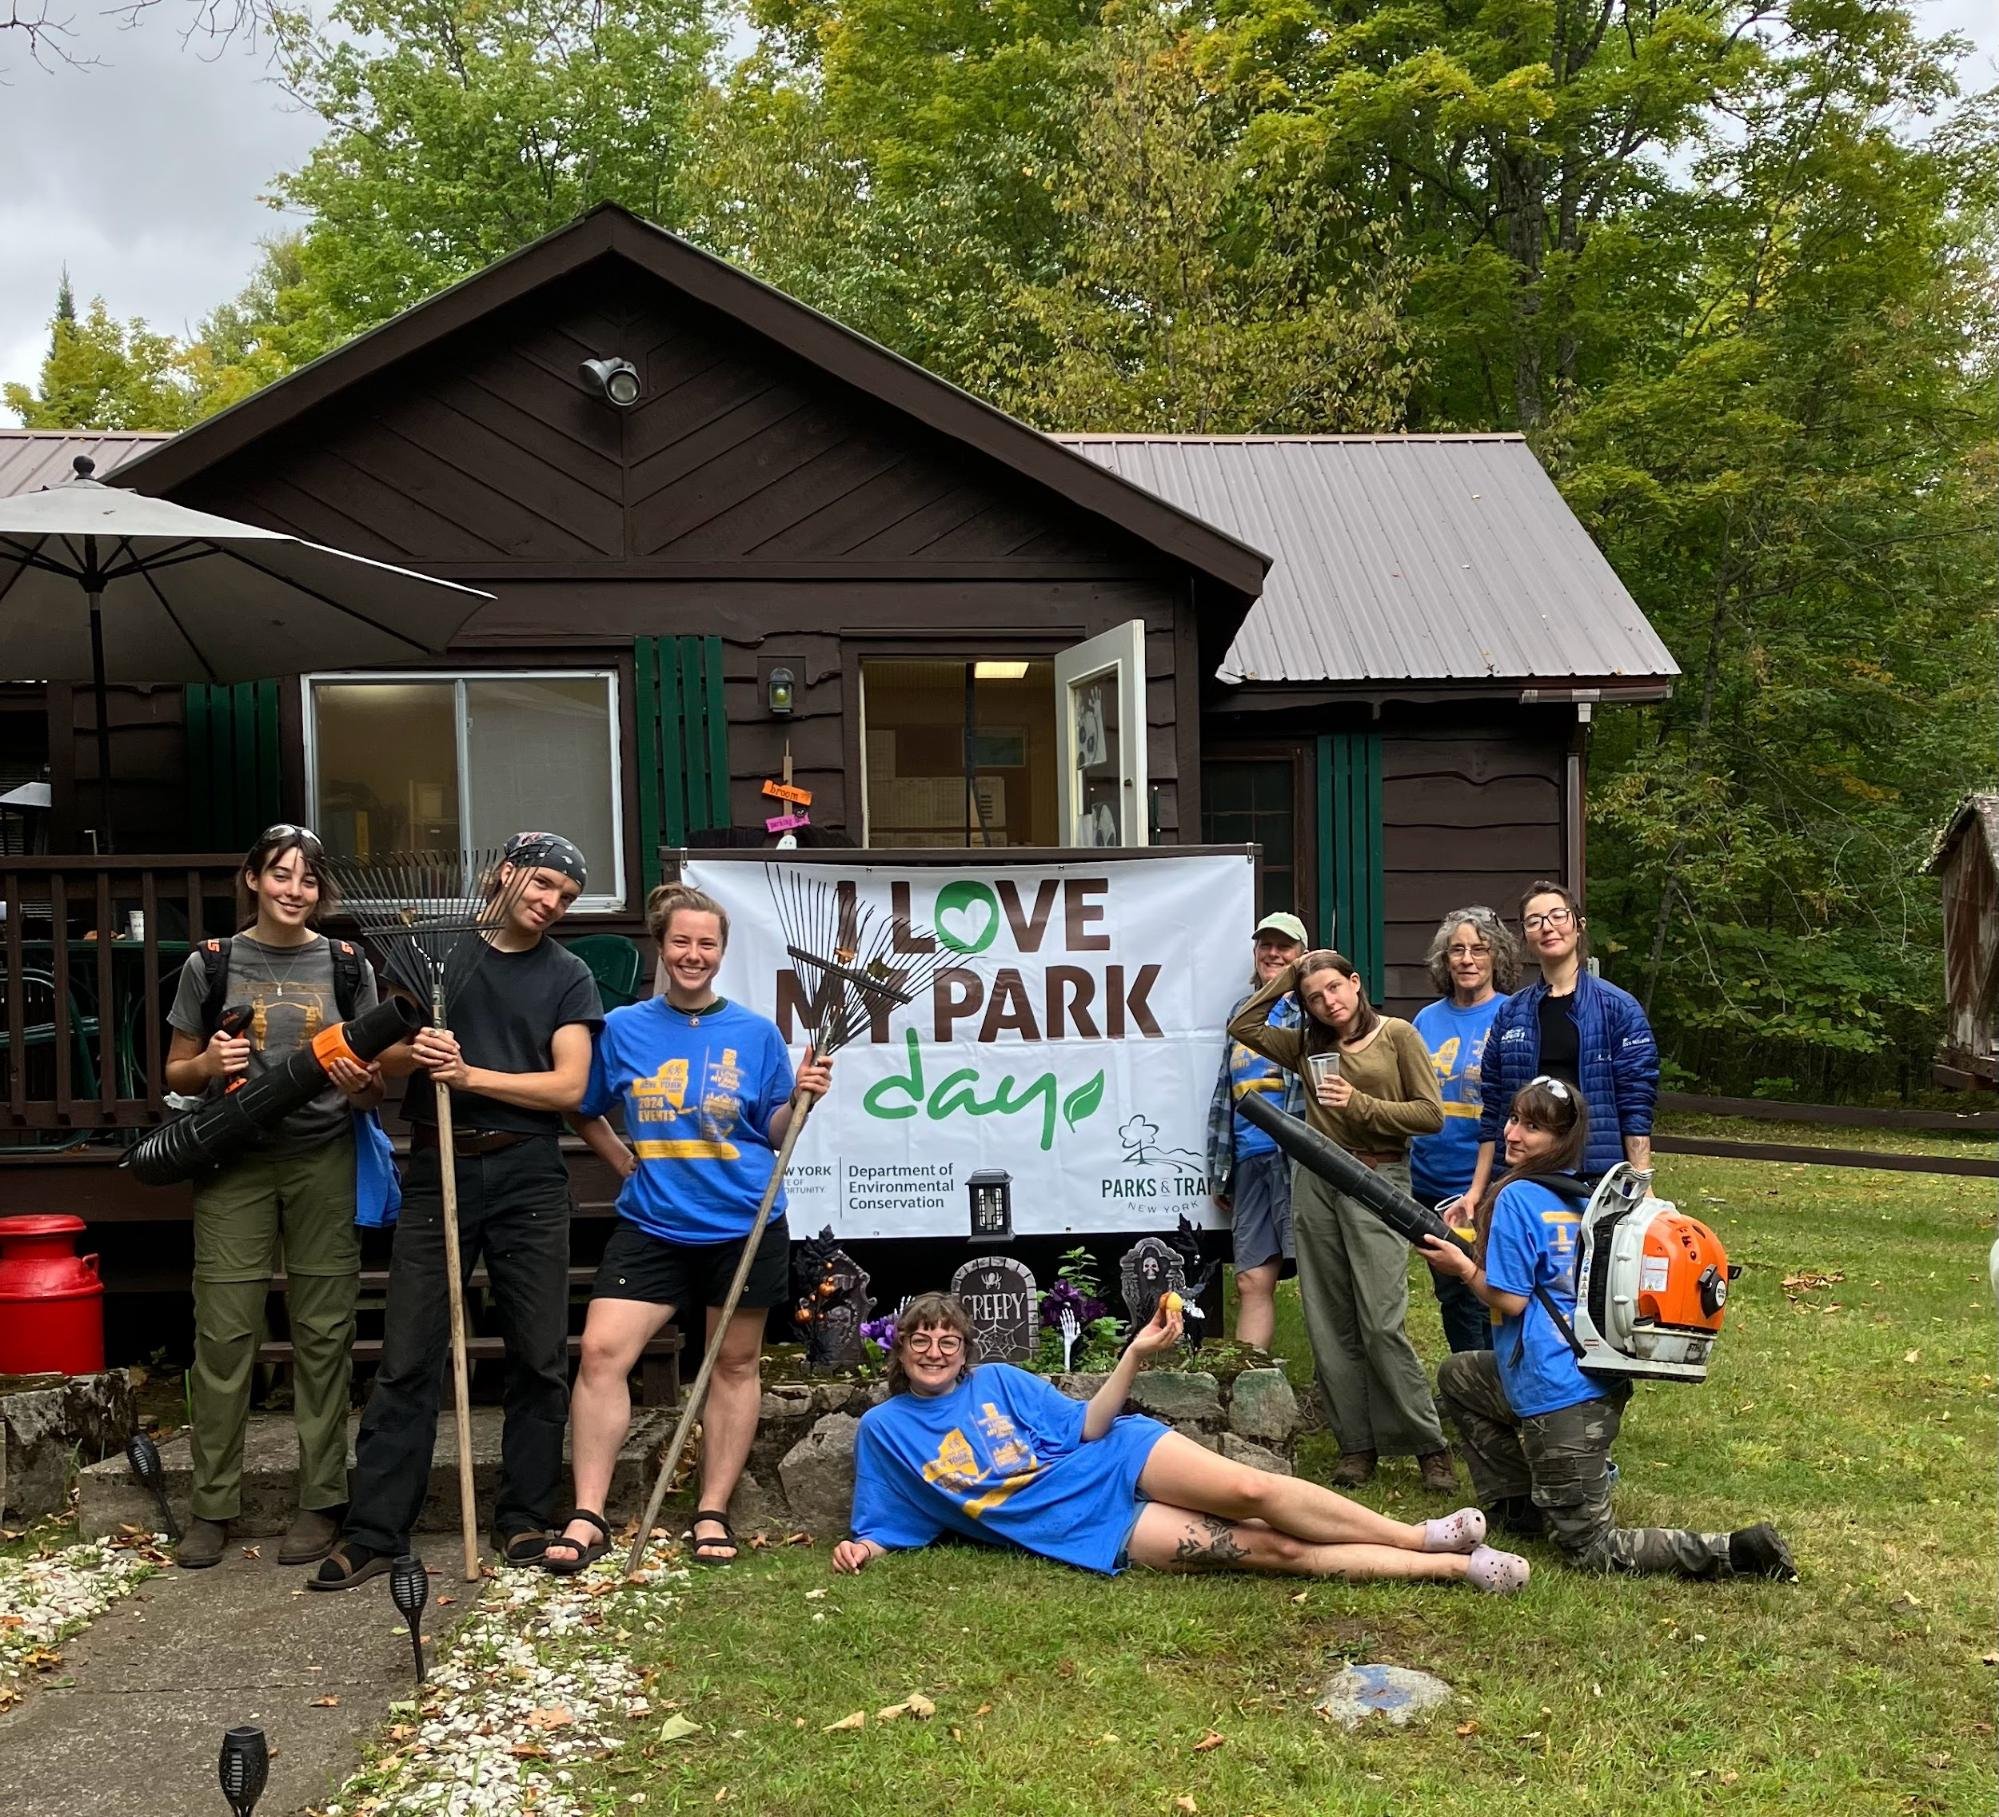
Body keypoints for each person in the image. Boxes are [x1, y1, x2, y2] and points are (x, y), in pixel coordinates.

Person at [313, 831, 603, 1589]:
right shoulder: (430, 955)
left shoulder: (567, 975)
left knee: (538, 1354)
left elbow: (569, 1086)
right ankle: (375, 1528)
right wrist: (415, 1054)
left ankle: (523, 1517)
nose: (550, 904)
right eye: (541, 884)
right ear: (503, 874)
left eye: (565, 897)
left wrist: (471, 1069)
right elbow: (382, 1058)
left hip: (529, 1173)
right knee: (409, 1352)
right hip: (437, 1160)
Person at [834, 1292, 1528, 1591]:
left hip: (1113, 1455)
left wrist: (1133, 1354)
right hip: (1085, 1522)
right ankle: (1452, 1569)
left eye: (947, 1339)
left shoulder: (1000, 1380)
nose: (934, 1349)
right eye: (920, 1340)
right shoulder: (885, 1430)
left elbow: (1086, 1427)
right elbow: (885, 1515)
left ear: (964, 1349)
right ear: (898, 1352)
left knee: (1251, 1488)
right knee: (1274, 1550)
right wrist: (864, 1545)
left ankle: (1419, 1534)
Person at [544, 883, 832, 1573]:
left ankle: (711, 1510)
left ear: (721, 951)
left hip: (744, 1220)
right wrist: (619, 1159)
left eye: (706, 943)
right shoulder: (623, 1028)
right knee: (601, 1354)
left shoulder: (756, 1033)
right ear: (660, 945)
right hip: (653, 1223)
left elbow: (770, 1126)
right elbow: (583, 1104)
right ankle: (588, 1512)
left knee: (732, 1364)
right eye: (681, 941)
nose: (693, 954)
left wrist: (801, 1101)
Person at [1420, 1078, 1796, 1581]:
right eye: (1513, 1119)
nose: (1513, 1133)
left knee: (1593, 1549)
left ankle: (1736, 1551)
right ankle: (1519, 1504)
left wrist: (1462, 1267)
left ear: (1561, 1140)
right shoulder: (1591, 1201)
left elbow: (1509, 1300)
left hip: (1557, 1397)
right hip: (1594, 1375)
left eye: (1533, 1127)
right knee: (1460, 1376)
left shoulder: (1515, 1198)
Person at [164, 825, 383, 1570]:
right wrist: (208, 1062)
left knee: (325, 1334)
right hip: (233, 1163)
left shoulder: (348, 964)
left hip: (323, 1158)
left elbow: (380, 1078)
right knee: (224, 1336)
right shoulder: (212, 961)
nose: (295, 890)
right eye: (280, 874)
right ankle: (211, 1505)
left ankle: (321, 1499)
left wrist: (366, 1084)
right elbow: (176, 1072)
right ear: (253, 877)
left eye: (309, 880)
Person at [1227, 951, 1453, 1492]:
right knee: (1329, 1320)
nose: (1329, 1002)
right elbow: (1243, 1025)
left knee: (1380, 1319)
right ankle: (1357, 1445)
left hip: (1377, 1179)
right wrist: (1289, 976)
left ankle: (1429, 1444)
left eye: (1335, 988)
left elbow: (1431, 1115)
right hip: (1316, 1179)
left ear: (1356, 983)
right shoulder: (1308, 1045)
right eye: (1315, 997)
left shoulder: (1398, 1035)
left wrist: (1359, 1104)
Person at [1466, 880, 1659, 1206]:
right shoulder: (1510, 1014)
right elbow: (1495, 1110)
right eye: (1535, 921)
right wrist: (1477, 1191)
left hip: (1594, 1176)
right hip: (1521, 1177)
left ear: (1578, 926)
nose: (1548, 927)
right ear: (1525, 936)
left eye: (1558, 916)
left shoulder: (1618, 1008)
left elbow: (1635, 1104)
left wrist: (1643, 1186)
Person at [1409, 907, 1521, 1354]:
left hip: (1487, 1180)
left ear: (1497, 956)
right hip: (1429, 1182)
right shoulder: (1425, 1021)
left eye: (1479, 949)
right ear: (1444, 959)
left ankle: (1497, 1382)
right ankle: (1465, 1381)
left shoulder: (1512, 1014)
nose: (1468, 959)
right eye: (1457, 949)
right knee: (1452, 1291)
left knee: (1486, 1286)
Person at [1205, 911, 1308, 1350]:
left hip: (1299, 1160)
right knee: (1251, 1279)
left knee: (1319, 1277)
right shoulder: (1239, 1013)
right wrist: (1219, 1168)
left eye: (1284, 946)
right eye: (1265, 945)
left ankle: (1342, 1385)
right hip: (1249, 1160)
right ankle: (1253, 1382)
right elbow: (1224, 1093)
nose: (1273, 953)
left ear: (1302, 955)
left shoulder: (1312, 1009)